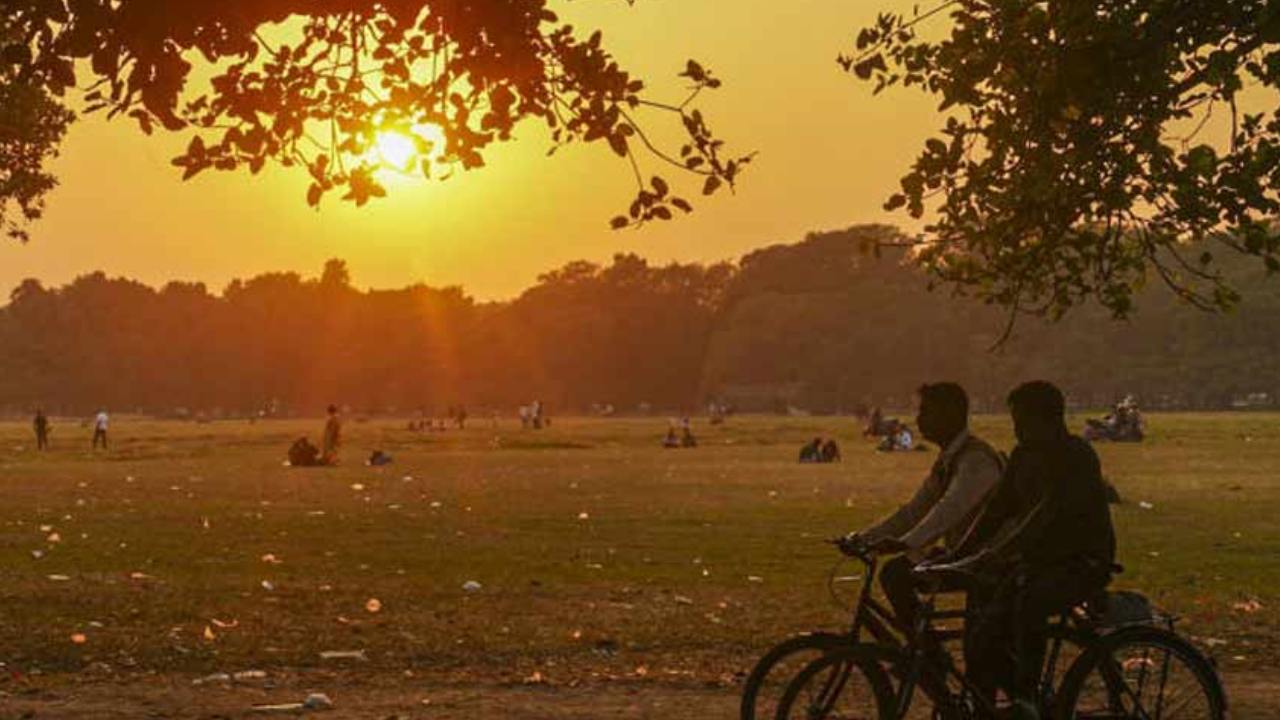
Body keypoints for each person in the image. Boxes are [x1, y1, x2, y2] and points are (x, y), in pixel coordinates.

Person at [946, 381, 1116, 717]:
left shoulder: (1075, 456)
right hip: (1037, 562)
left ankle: (1026, 696)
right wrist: (958, 555)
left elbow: (1042, 516)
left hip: (1082, 562)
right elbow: (996, 510)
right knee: (983, 630)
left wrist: (992, 554)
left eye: (1022, 421)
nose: (1017, 429)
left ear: (1049, 420)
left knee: (1028, 604)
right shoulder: (1024, 455)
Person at [851, 383, 1004, 633]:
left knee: (898, 575)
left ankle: (929, 657)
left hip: (989, 562)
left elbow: (947, 511)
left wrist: (908, 542)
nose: (919, 419)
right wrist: (864, 538)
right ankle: (926, 653)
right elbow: (914, 511)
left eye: (925, 412)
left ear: (950, 414)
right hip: (966, 556)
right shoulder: (949, 459)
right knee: (894, 573)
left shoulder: (976, 460)